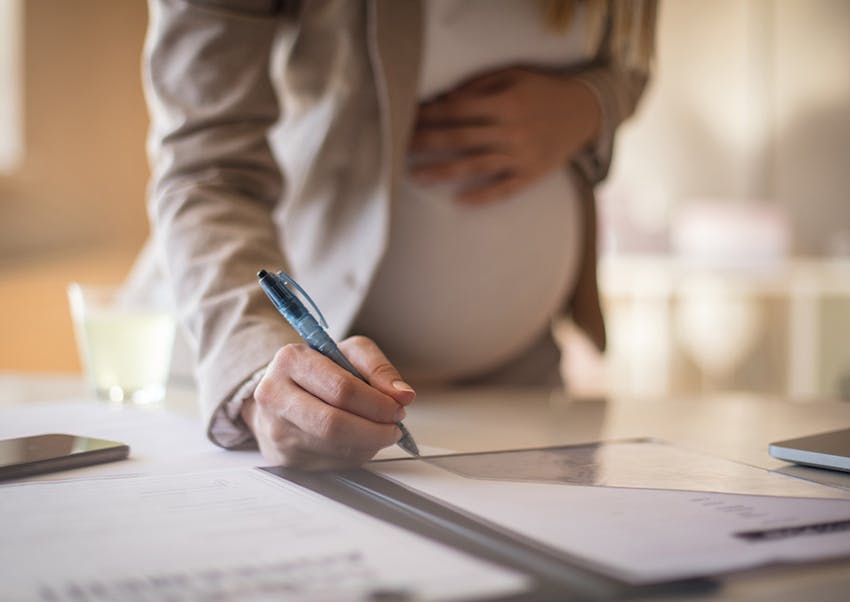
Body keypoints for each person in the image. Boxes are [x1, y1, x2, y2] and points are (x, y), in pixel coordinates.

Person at [133, 0, 656, 469]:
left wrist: (591, 104)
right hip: (294, 384)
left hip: (519, 377)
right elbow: (206, 168)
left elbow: (632, 61)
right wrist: (253, 371)